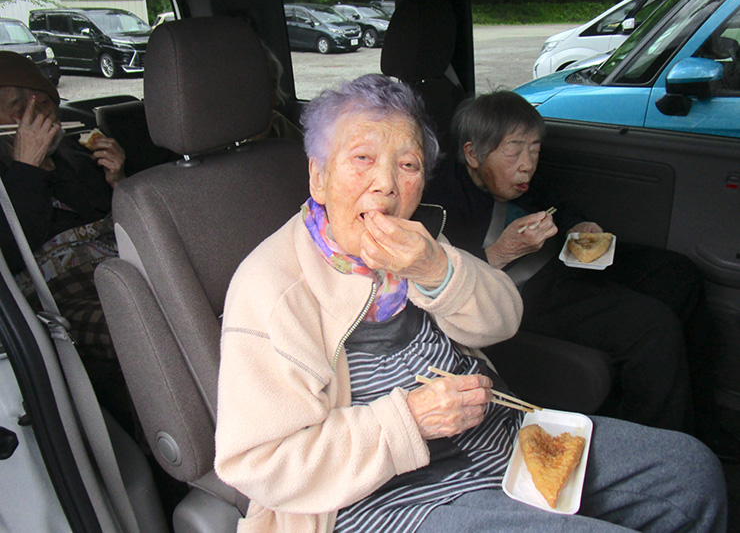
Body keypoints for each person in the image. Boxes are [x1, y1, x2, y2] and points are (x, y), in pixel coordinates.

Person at [214, 74, 726, 533]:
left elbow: (505, 318)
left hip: (493, 436)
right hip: (377, 497)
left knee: (692, 472)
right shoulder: (272, 289)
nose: (387, 185)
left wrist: (436, 269)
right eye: (363, 159)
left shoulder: (420, 242)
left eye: (408, 164)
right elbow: (258, 462)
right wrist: (406, 421)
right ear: (318, 177)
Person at [421, 89, 722, 437]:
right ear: (473, 154)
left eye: (534, 149)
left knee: (679, 274)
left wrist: (578, 226)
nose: (528, 163)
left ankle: (701, 418)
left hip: (560, 259)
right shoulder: (440, 200)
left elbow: (557, 206)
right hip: (518, 291)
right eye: (514, 149)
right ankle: (660, 442)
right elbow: (447, 286)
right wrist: (503, 251)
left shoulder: (518, 181)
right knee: (654, 328)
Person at [0, 51, 130, 426]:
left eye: (42, 102)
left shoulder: (78, 154)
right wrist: (26, 169)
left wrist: (120, 181)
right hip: (55, 293)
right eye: (17, 107)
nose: (36, 114)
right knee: (133, 325)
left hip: (117, 267)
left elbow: (122, 226)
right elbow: (8, 255)